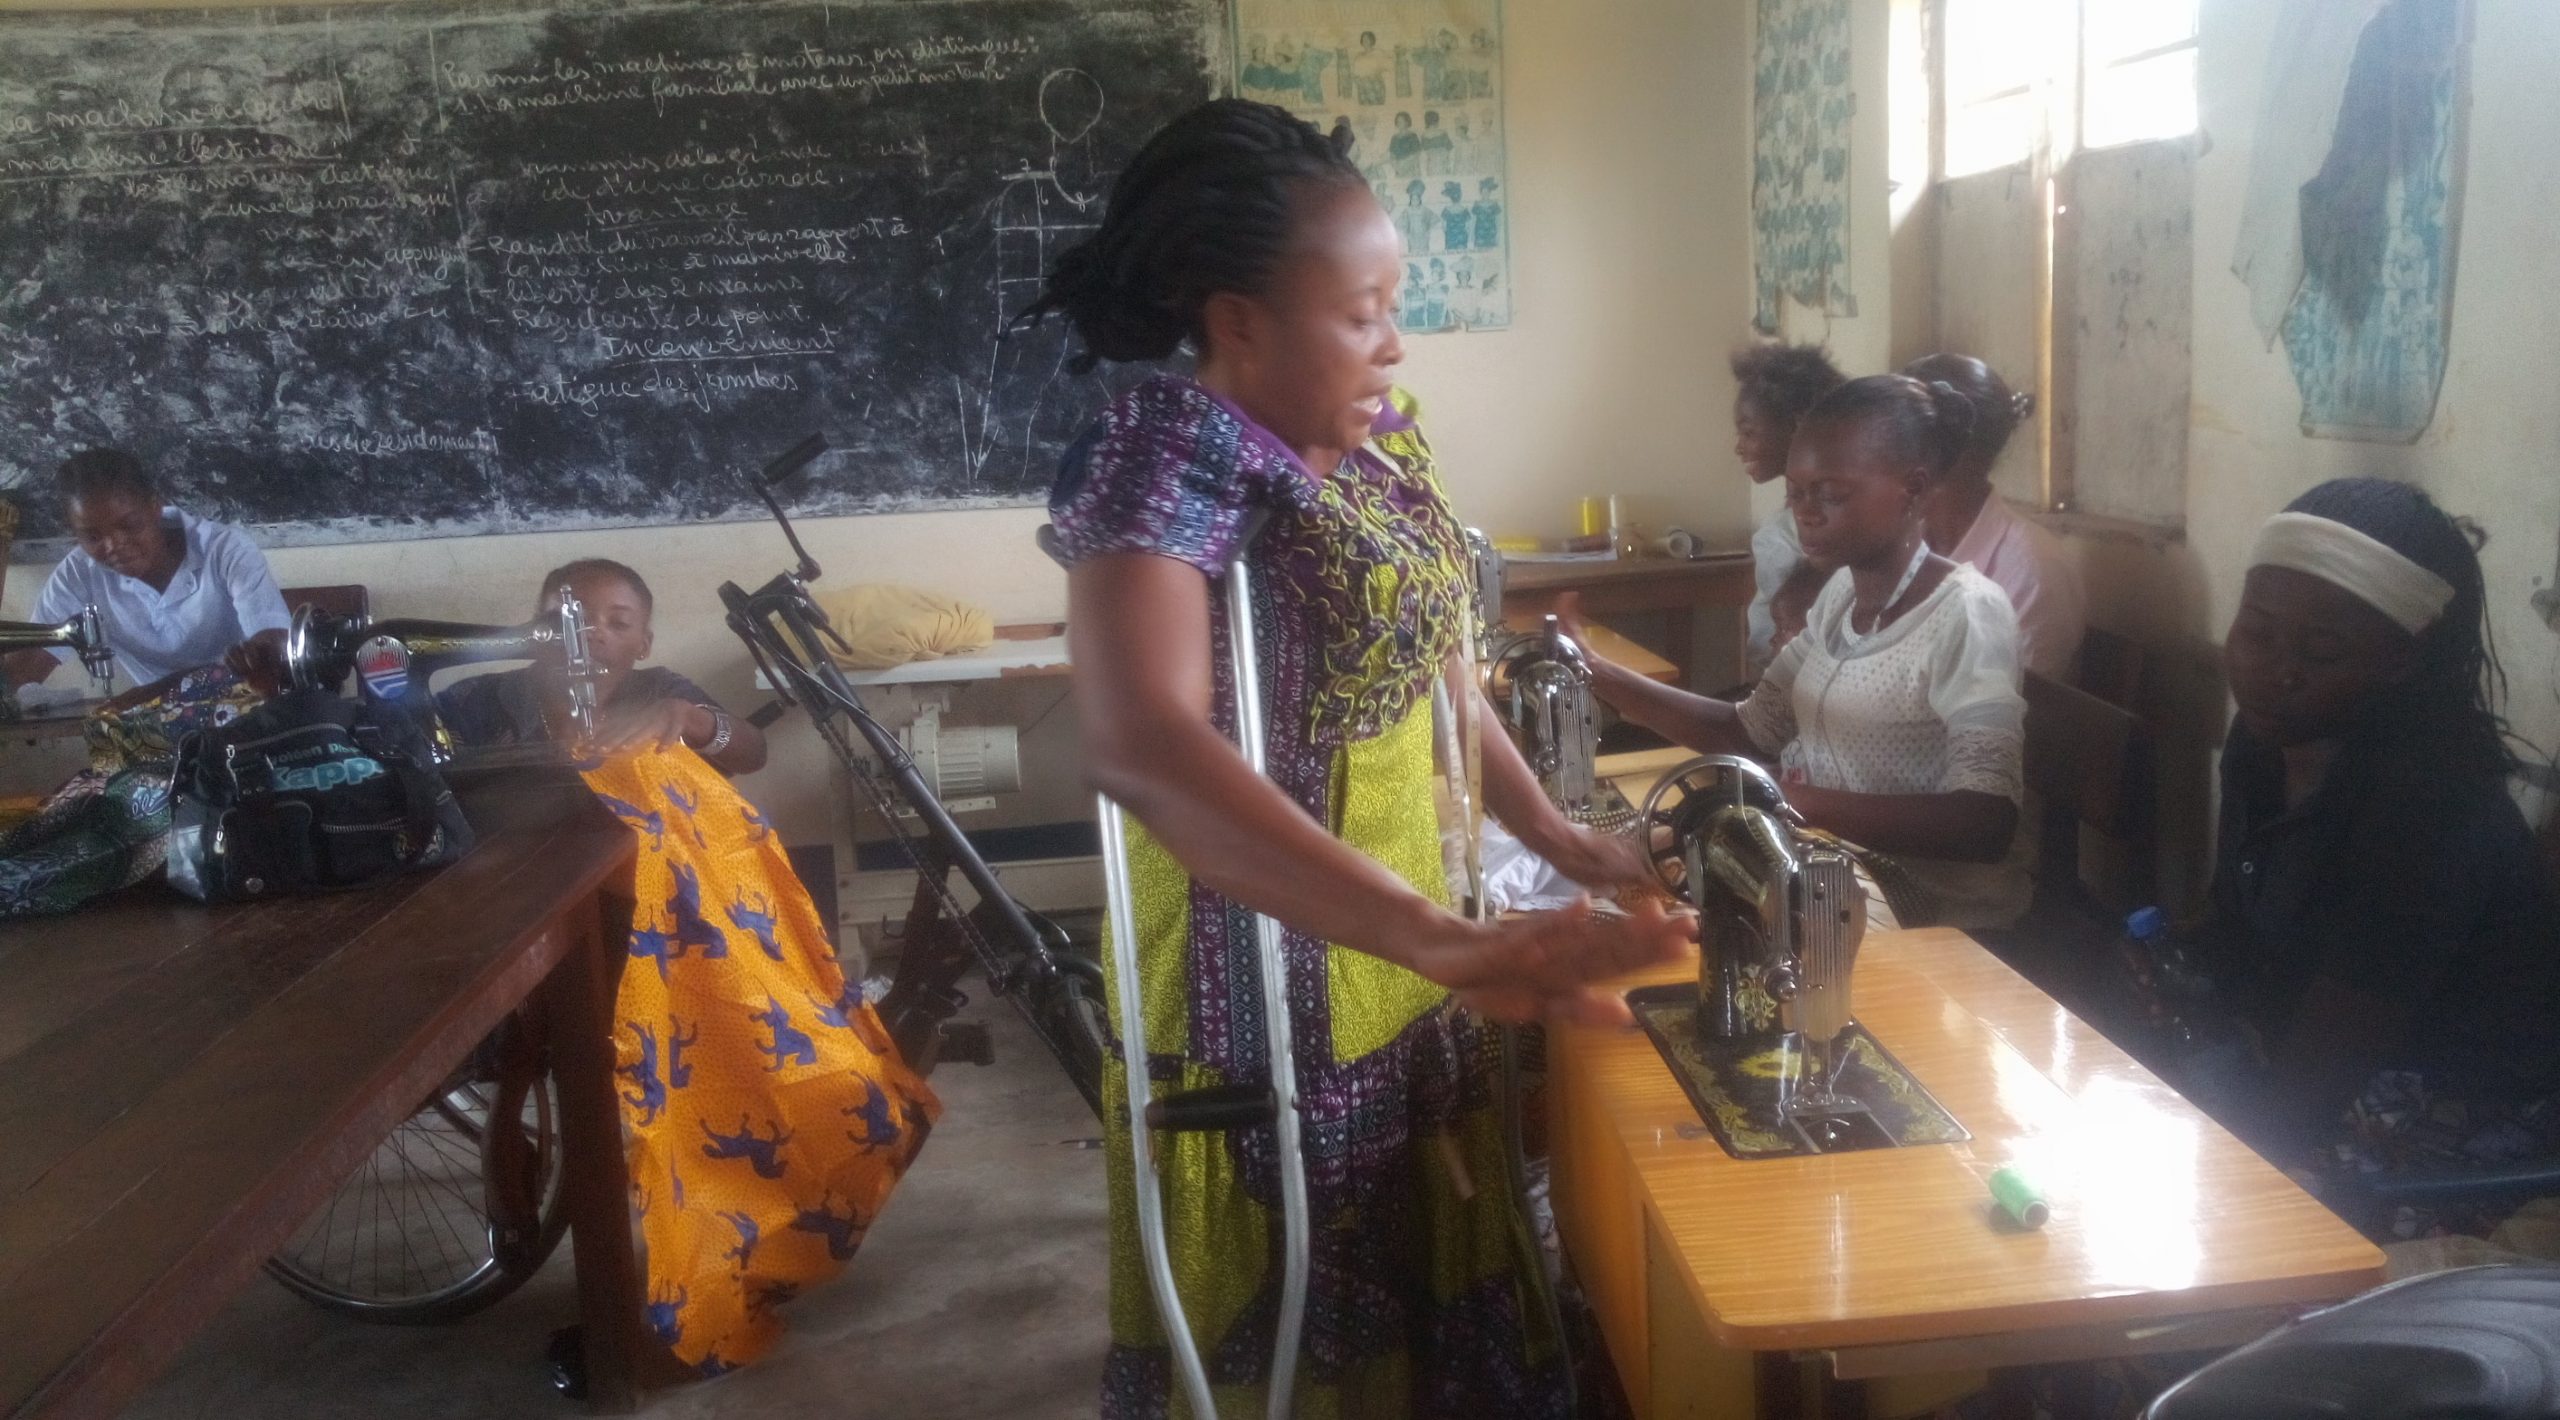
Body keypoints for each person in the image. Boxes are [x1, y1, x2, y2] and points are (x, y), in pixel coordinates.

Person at [1014, 99, 1686, 1416]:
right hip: (1262, 953)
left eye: (1394, 302)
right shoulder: (1170, 446)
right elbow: (1146, 742)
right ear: (1241, 319)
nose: (1394, 339)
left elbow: (1439, 654)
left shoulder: (1380, 437)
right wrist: (1438, 938)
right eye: (1361, 309)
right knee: (1296, 1318)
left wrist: (1551, 836)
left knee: (1427, 1257)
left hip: (1408, 930)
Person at [2143, 480, 2558, 1178]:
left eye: (2322, 651)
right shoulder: (2265, 743)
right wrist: (2174, 965)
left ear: (2403, 658)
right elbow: (2239, 930)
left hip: (2445, 1126)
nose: (2276, 671)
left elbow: (2316, 1083)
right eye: (2257, 631)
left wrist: (2205, 1169)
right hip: (2310, 1073)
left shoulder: (2429, 815)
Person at [1569, 375, 2031, 930]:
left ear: (1913, 487)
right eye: (1796, 493)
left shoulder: (1966, 613)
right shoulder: (1840, 595)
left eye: (1832, 495)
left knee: (1688, 929)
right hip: (1831, 867)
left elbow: (1984, 822)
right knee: (1606, 881)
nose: (1807, 513)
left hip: (1929, 906)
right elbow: (1750, 730)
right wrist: (1599, 674)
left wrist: (1795, 800)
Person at [435, 558, 767, 775]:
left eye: (618, 623)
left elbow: (753, 756)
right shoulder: (474, 700)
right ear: (536, 630)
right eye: (571, 623)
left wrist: (694, 719)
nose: (591, 634)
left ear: (644, 645)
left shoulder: (659, 691)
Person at [4, 448, 290, 695]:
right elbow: (26, 667)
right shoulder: (80, 573)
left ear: (155, 507)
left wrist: (144, 696)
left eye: (129, 525)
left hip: (253, 716)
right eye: (92, 537)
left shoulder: (224, 550)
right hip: (161, 732)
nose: (113, 545)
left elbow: (275, 650)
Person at [1901, 353, 2087, 681]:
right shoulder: (1902, 540)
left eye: (1895, 436)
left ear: (1950, 450)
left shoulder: (2031, 569)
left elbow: (2003, 716)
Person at [1728, 342, 1848, 670]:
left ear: (1797, 426)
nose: (1739, 447)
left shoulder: (1800, 530)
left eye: (1749, 432)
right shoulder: (1792, 520)